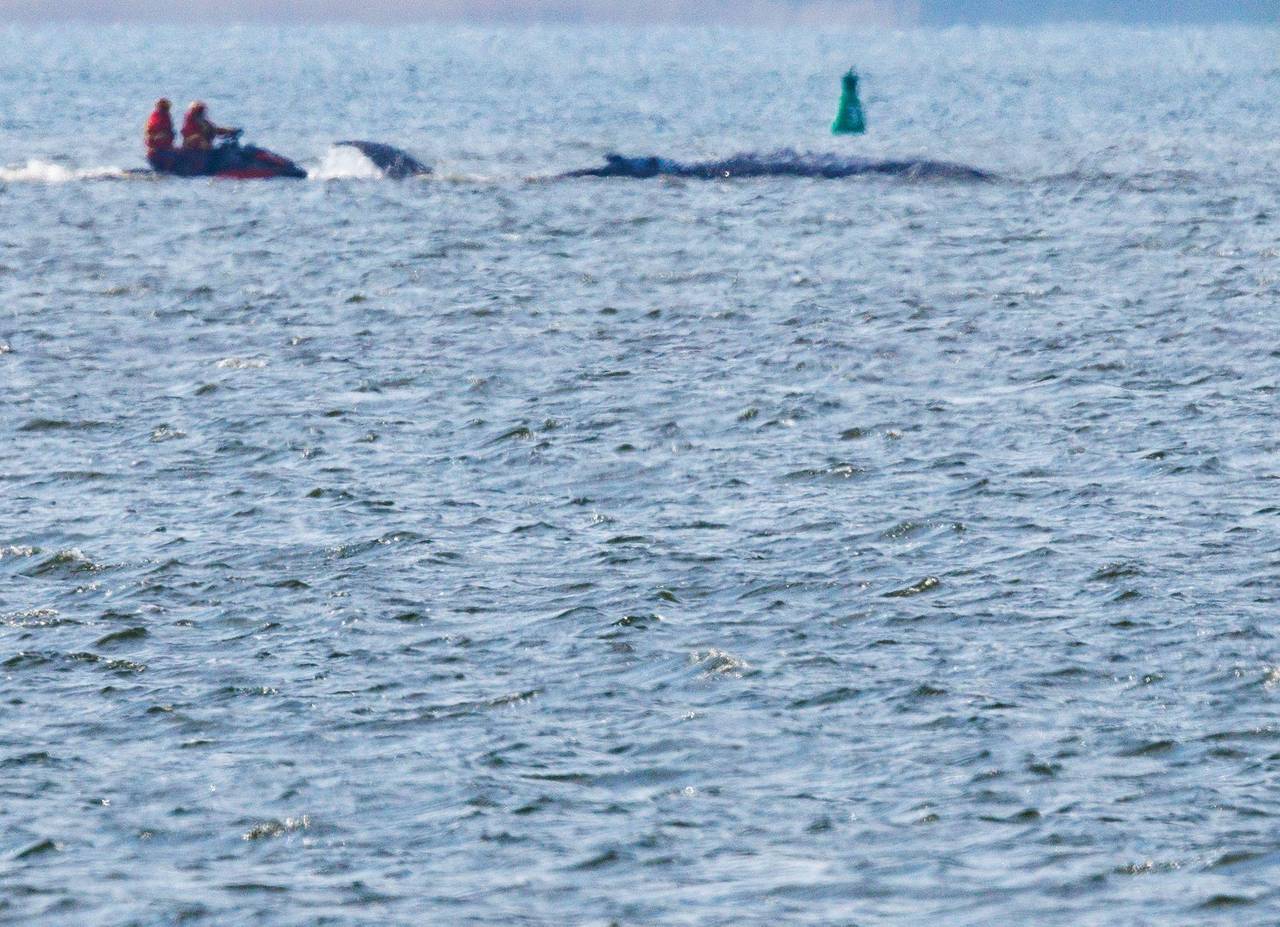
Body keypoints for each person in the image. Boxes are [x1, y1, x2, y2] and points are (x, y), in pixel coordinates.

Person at [144, 98, 177, 171]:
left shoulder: (166, 117)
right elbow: (152, 134)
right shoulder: (156, 118)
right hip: (159, 152)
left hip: (164, 150)